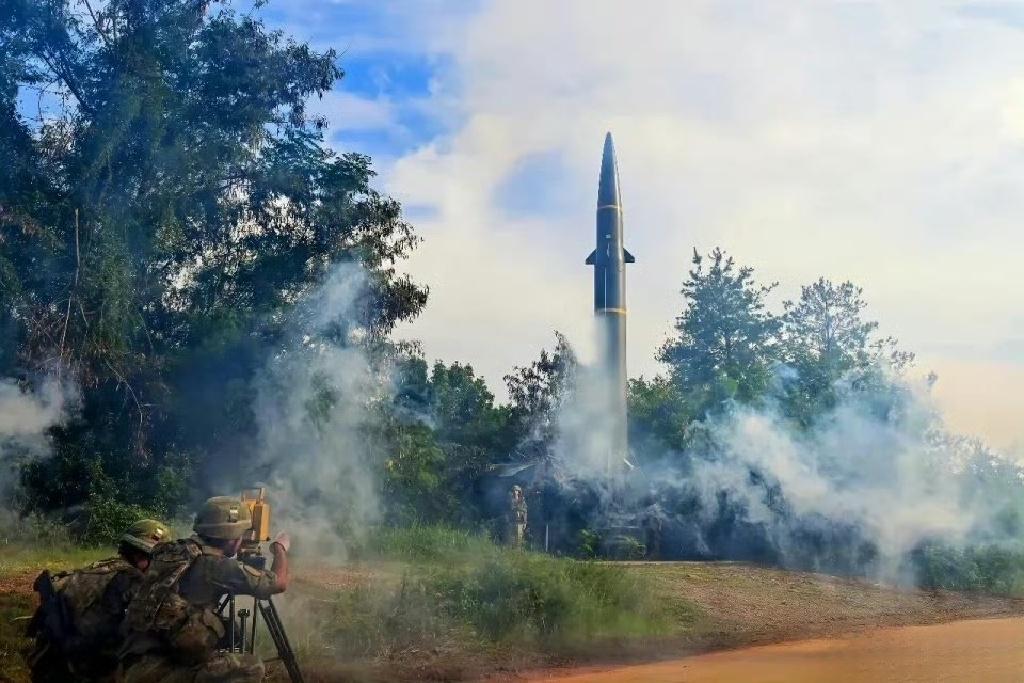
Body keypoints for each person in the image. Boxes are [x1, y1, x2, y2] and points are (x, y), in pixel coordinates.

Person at [118, 496, 290, 683]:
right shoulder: (216, 566)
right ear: (232, 539)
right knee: (252, 667)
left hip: (133, 661)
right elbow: (279, 583)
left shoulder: (172, 550)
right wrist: (279, 549)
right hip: (160, 673)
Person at [26, 519, 174, 682]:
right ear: (139, 556)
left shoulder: (101, 570)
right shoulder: (131, 583)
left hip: (50, 668)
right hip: (81, 671)